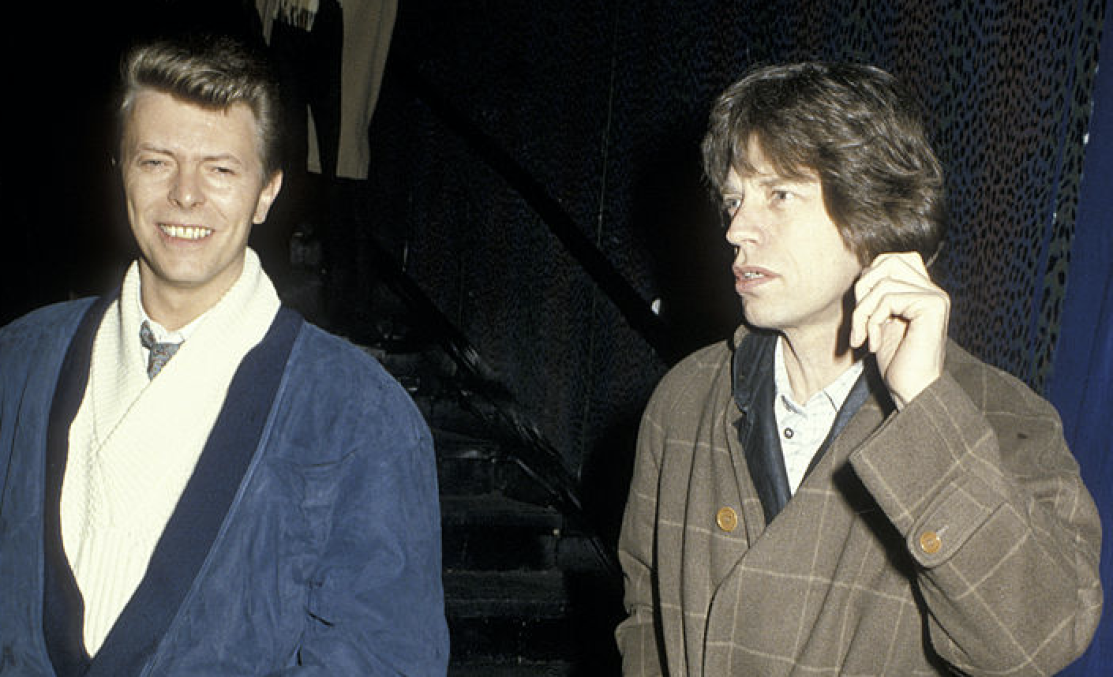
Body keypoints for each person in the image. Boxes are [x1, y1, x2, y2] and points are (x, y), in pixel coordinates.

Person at [615, 62, 1102, 676]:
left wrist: (924, 406)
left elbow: (1039, 640)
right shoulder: (686, 399)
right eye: (734, 200)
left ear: (871, 211)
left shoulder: (997, 412)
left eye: (779, 195)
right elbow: (647, 609)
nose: (737, 229)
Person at [0, 34, 448, 675]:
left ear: (267, 191)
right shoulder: (20, 362)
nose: (185, 195)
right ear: (121, 171)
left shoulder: (360, 416)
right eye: (156, 161)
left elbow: (383, 659)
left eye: (220, 169)